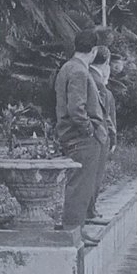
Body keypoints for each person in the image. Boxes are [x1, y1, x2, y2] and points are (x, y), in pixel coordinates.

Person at [54, 29, 108, 231]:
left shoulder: (68, 67)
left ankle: (77, 231)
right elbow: (77, 108)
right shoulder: (78, 71)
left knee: (80, 186)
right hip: (81, 138)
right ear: (93, 51)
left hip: (76, 135)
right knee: (80, 186)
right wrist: (89, 130)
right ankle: (73, 232)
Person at [87, 46, 116, 224]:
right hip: (98, 135)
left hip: (94, 133)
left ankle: (90, 210)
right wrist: (112, 138)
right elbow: (105, 116)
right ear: (106, 63)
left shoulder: (89, 76)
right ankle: (90, 211)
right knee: (94, 175)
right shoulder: (97, 82)